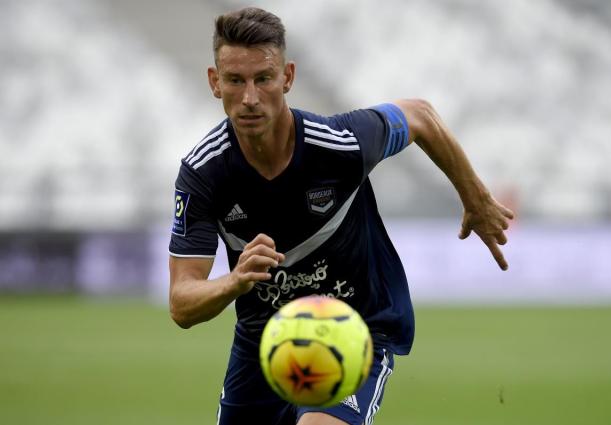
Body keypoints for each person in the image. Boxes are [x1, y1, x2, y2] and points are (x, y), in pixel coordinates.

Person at [168, 7, 514, 425]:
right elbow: (181, 303)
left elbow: (420, 115)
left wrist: (475, 197)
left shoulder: (340, 144)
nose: (251, 98)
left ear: (288, 77)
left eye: (264, 78)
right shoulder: (203, 173)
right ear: (214, 82)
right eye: (235, 81)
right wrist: (234, 281)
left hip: (353, 324)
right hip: (267, 337)